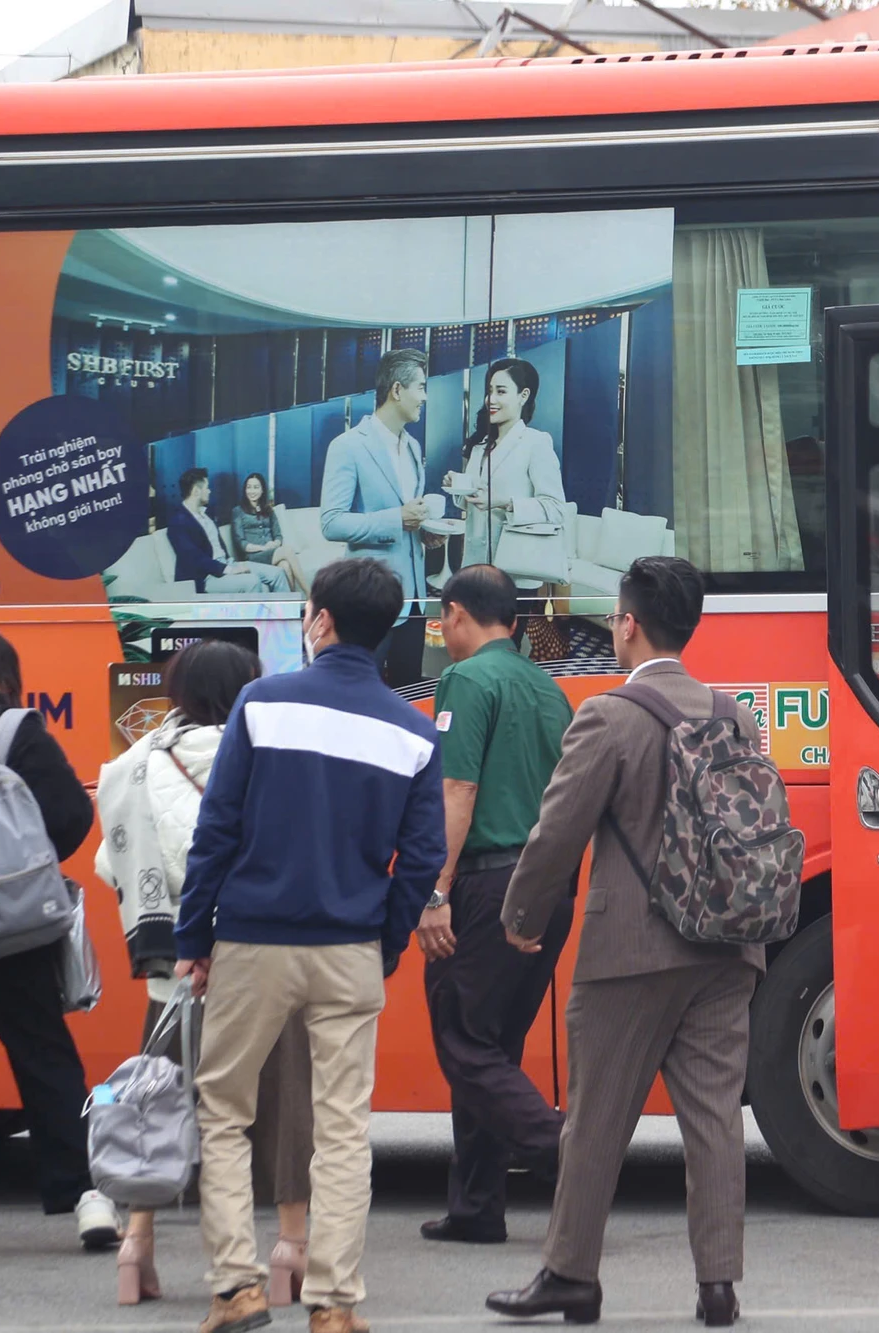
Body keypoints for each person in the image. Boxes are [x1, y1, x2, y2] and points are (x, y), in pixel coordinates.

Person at [487, 557, 759, 1329]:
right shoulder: (733, 715)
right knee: (713, 1118)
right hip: (727, 946)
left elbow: (556, 833)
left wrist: (523, 915)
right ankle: (718, 1286)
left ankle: (571, 1273)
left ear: (629, 623)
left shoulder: (608, 715)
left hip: (631, 952)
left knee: (597, 1118)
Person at [177, 557, 445, 1333]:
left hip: (254, 940)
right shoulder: (413, 730)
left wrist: (196, 936)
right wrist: (384, 943)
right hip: (351, 947)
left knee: (224, 1111)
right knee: (341, 1129)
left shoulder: (261, 703)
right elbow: (422, 859)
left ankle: (237, 1286)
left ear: (320, 620)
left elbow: (216, 832)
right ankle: (333, 1303)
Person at [93, 640, 314, 1308]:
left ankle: (137, 1241)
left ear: (178, 690)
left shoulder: (132, 764)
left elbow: (112, 864)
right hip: (262, 953)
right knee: (285, 1098)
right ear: (249, 685)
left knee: (156, 1099)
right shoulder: (270, 756)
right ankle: (290, 1247)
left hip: (175, 968)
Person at [415, 565, 575, 1246]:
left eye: (440, 620)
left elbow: (457, 791)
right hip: (546, 886)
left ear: (456, 614)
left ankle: (561, 1146)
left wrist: (435, 892)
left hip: (484, 883)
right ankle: (477, 1205)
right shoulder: (549, 688)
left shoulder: (466, 680)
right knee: (494, 1045)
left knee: (462, 1041)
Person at [0, 626, 114, 1249]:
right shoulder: (16, 731)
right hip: (13, 928)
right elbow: (71, 815)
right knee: (43, 1054)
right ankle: (78, 1192)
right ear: (3, 678)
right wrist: (25, 873)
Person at [320, 347, 444, 686]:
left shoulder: (414, 447)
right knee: (361, 693)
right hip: (371, 599)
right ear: (397, 390)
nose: (424, 397)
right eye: (420, 387)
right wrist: (396, 520)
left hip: (415, 598)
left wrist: (423, 531)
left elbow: (409, 516)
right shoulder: (348, 446)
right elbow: (331, 522)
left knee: (409, 692)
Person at [444, 358, 567, 591]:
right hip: (474, 567)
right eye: (489, 391)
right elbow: (470, 504)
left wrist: (507, 503)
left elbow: (556, 508)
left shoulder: (536, 443)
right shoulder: (480, 446)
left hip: (514, 572)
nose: (491, 399)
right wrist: (457, 488)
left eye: (501, 391)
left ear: (524, 396)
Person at [168, 469, 294, 597]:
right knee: (252, 581)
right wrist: (228, 570)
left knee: (277, 574)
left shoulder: (206, 514)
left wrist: (230, 565)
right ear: (196, 491)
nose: (209, 491)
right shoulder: (178, 522)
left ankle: (287, 616)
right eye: (207, 488)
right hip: (206, 576)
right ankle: (257, 617)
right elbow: (194, 558)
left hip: (227, 563)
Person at [231, 472, 310, 595]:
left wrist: (274, 543)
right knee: (287, 551)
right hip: (252, 556)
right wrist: (263, 548)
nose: (252, 491)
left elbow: (278, 535)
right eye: (249, 487)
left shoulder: (268, 510)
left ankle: (292, 606)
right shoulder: (238, 511)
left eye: (256, 487)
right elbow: (241, 544)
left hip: (270, 553)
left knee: (285, 565)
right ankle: (309, 593)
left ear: (262, 490)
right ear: (245, 490)